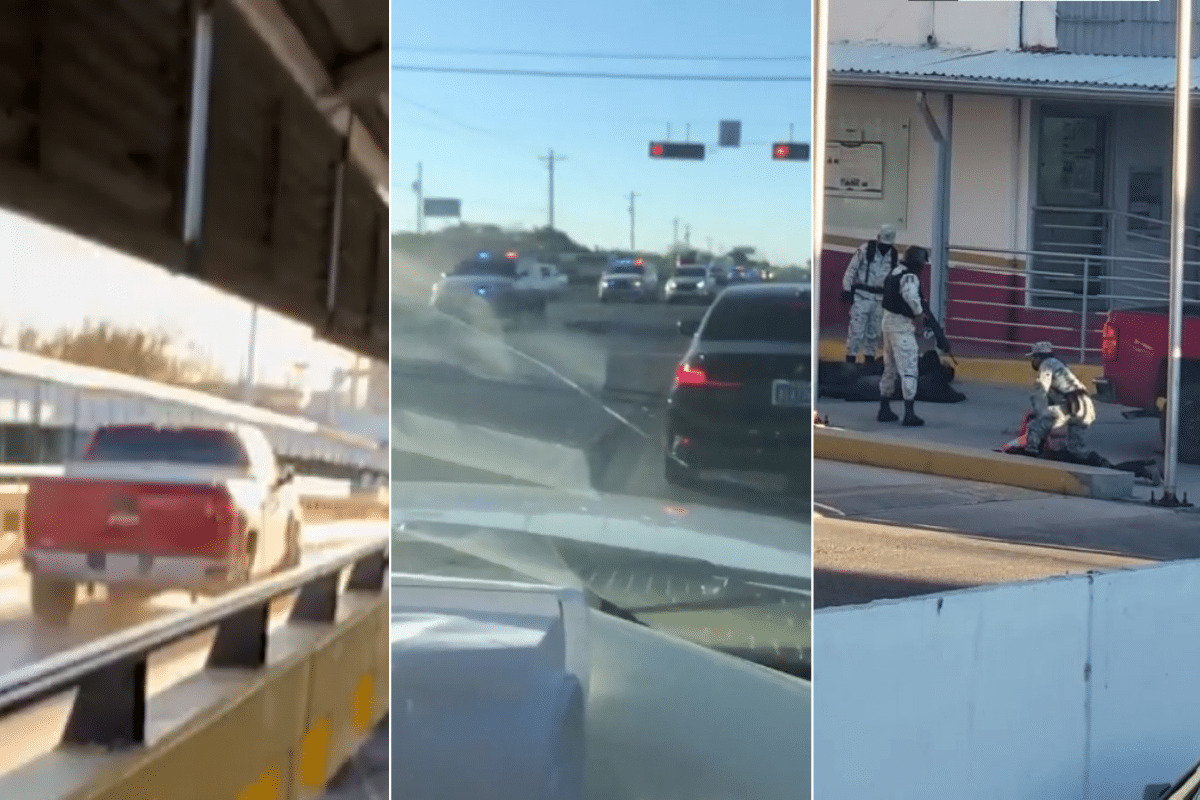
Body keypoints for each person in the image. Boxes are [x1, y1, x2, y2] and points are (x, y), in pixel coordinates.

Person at [877, 245, 929, 427]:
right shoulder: (909, 277)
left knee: (889, 367)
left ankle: (884, 408)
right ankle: (909, 413)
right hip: (901, 326)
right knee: (909, 369)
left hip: (887, 323)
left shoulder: (895, 272)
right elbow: (911, 296)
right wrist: (919, 313)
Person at [1022, 341, 1095, 457]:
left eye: (1034, 357)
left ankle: (1031, 448)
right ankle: (1080, 456)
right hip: (1085, 404)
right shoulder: (1060, 364)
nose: (1033, 361)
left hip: (1074, 403)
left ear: (1039, 357)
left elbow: (1040, 391)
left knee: (1042, 421)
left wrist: (1040, 411)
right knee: (1075, 447)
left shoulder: (1046, 365)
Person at [840, 224, 897, 365]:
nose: (885, 247)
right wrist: (847, 289)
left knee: (874, 332)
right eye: (883, 243)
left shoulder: (893, 255)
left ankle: (869, 361)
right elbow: (851, 270)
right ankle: (850, 360)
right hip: (862, 296)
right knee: (856, 331)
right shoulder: (865, 250)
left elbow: (894, 278)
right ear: (878, 238)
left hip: (880, 299)